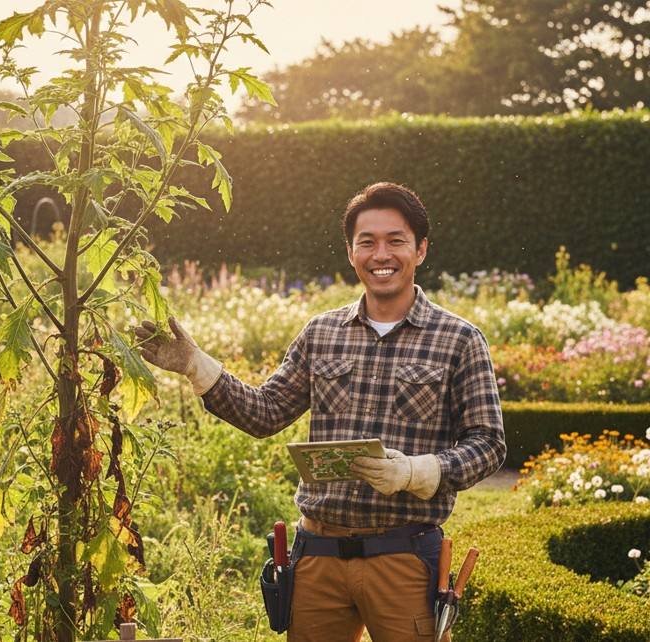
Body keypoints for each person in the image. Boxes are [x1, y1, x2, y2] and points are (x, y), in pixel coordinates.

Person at [135, 181, 506, 642]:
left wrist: (416, 471)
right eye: (367, 242)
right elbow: (265, 413)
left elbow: (488, 445)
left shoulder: (459, 339)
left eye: (396, 241)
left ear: (421, 250)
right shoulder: (322, 333)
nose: (381, 254)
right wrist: (196, 366)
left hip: (405, 556)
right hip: (319, 555)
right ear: (351, 253)